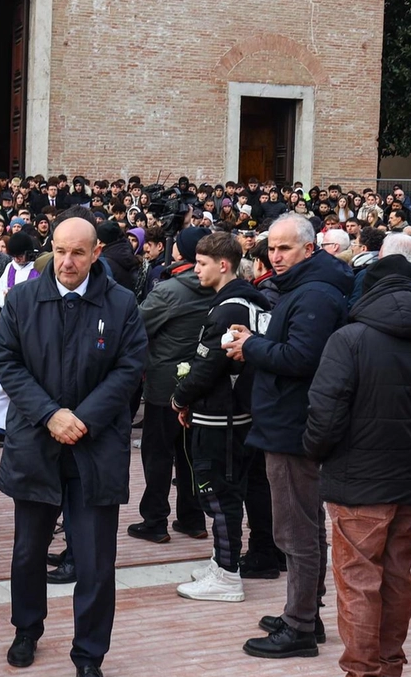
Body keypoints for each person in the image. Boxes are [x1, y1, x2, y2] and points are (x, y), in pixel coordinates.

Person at [0, 217, 147, 677]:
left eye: (78, 253)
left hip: (94, 449)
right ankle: (26, 628)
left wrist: (83, 419)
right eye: (60, 251)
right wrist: (49, 414)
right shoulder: (23, 300)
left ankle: (89, 654)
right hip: (37, 444)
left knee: (96, 561)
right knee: (28, 551)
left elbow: (129, 367)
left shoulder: (121, 305)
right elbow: (6, 360)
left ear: (96, 252)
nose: (67, 262)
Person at [304, 255, 411, 677]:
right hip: (409, 480)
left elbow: (324, 414)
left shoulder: (349, 339)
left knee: (358, 581)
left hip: (357, 483)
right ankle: (388, 663)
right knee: (395, 577)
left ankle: (363, 670)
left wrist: (319, 452)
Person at [224, 212, 354, 659]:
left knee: (295, 529)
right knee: (304, 525)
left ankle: (299, 625)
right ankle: (305, 612)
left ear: (309, 249)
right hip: (290, 420)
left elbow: (302, 357)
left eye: (285, 248)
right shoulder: (307, 287)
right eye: (272, 248)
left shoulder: (314, 292)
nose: (275, 256)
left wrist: (250, 348)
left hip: (294, 425)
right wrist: (257, 337)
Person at [169, 231, 274, 601]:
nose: (195, 270)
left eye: (201, 264)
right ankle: (221, 561)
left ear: (223, 265)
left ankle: (228, 576)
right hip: (233, 415)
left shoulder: (231, 307)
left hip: (224, 419)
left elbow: (209, 363)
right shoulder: (241, 301)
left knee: (220, 494)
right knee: (226, 491)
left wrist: (181, 399)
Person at [131, 226, 214, 543]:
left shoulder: (169, 291)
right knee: (190, 454)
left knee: (158, 454)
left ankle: (155, 520)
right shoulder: (220, 287)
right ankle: (193, 519)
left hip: (166, 385)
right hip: (202, 380)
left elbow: (138, 326)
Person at [0, 232, 40, 447]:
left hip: (32, 330)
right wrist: (6, 296)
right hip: (9, 327)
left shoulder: (38, 270)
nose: (17, 260)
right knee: (0, 377)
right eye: (14, 256)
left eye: (21, 256)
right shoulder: (9, 269)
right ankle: (0, 426)